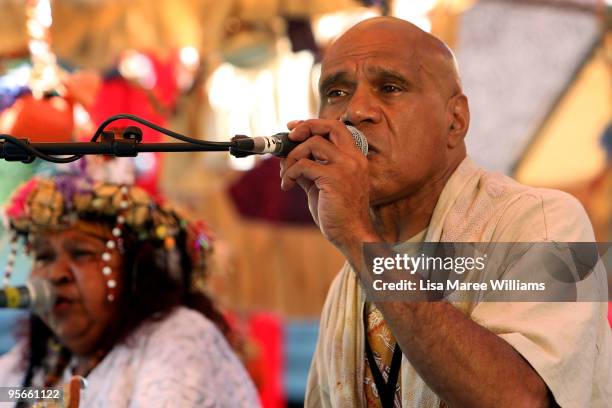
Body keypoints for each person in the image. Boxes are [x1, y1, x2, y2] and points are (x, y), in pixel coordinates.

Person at [279, 17, 612, 407]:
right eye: (336, 92)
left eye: (389, 88)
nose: (355, 112)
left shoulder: (548, 221)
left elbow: (518, 398)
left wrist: (356, 238)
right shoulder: (351, 279)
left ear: (456, 121)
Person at [0, 175, 259, 407]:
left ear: (135, 272)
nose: (56, 274)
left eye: (81, 254)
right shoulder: (38, 358)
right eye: (44, 257)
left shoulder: (180, 336)